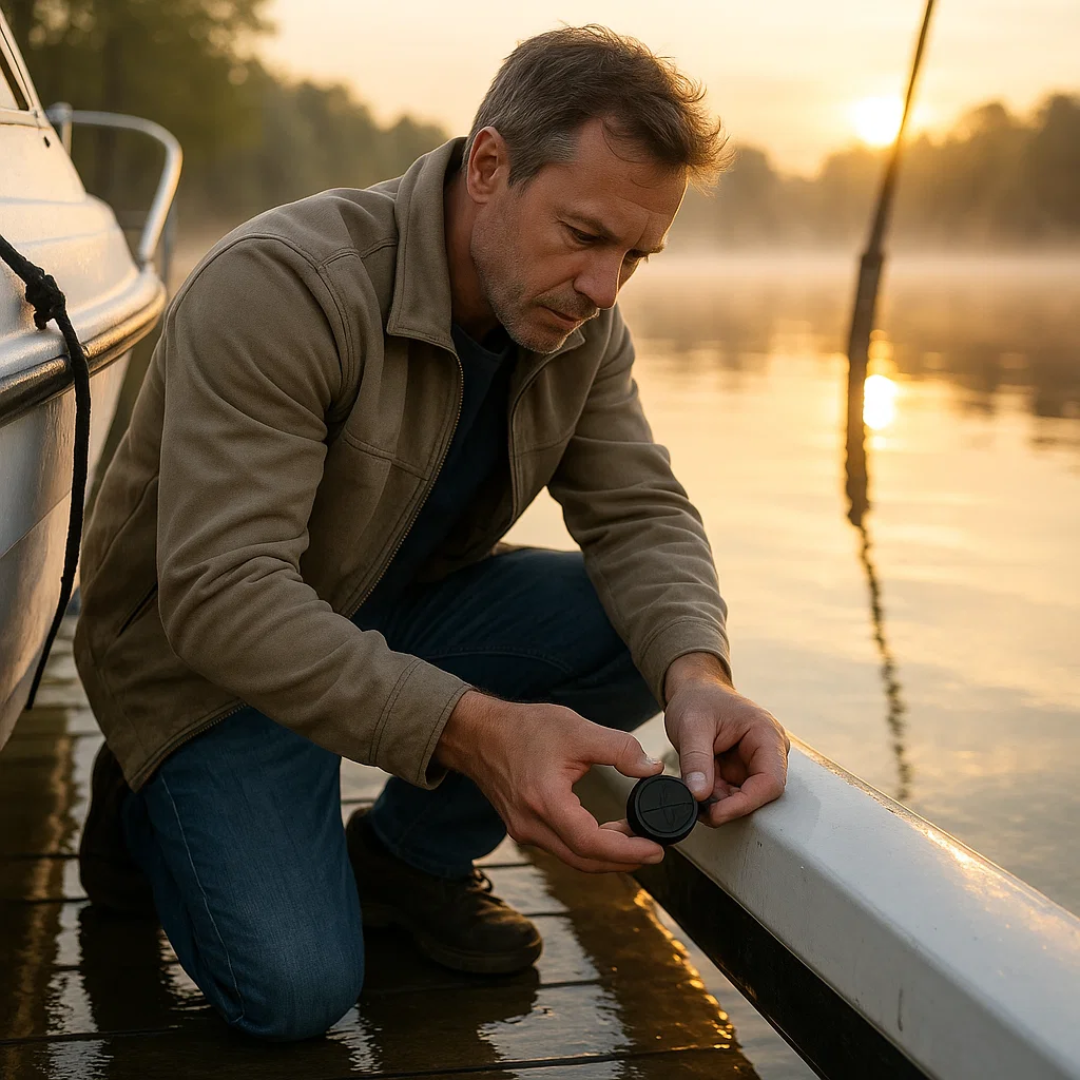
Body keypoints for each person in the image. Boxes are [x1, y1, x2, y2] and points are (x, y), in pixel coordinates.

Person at [73, 24, 790, 1042]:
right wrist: (481, 731)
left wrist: (700, 678)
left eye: (636, 255)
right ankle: (145, 799)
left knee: (632, 628)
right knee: (295, 994)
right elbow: (223, 595)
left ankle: (404, 863)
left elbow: (640, 511)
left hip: (380, 609)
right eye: (586, 235)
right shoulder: (282, 285)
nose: (605, 287)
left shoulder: (579, 321)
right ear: (490, 165)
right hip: (206, 668)